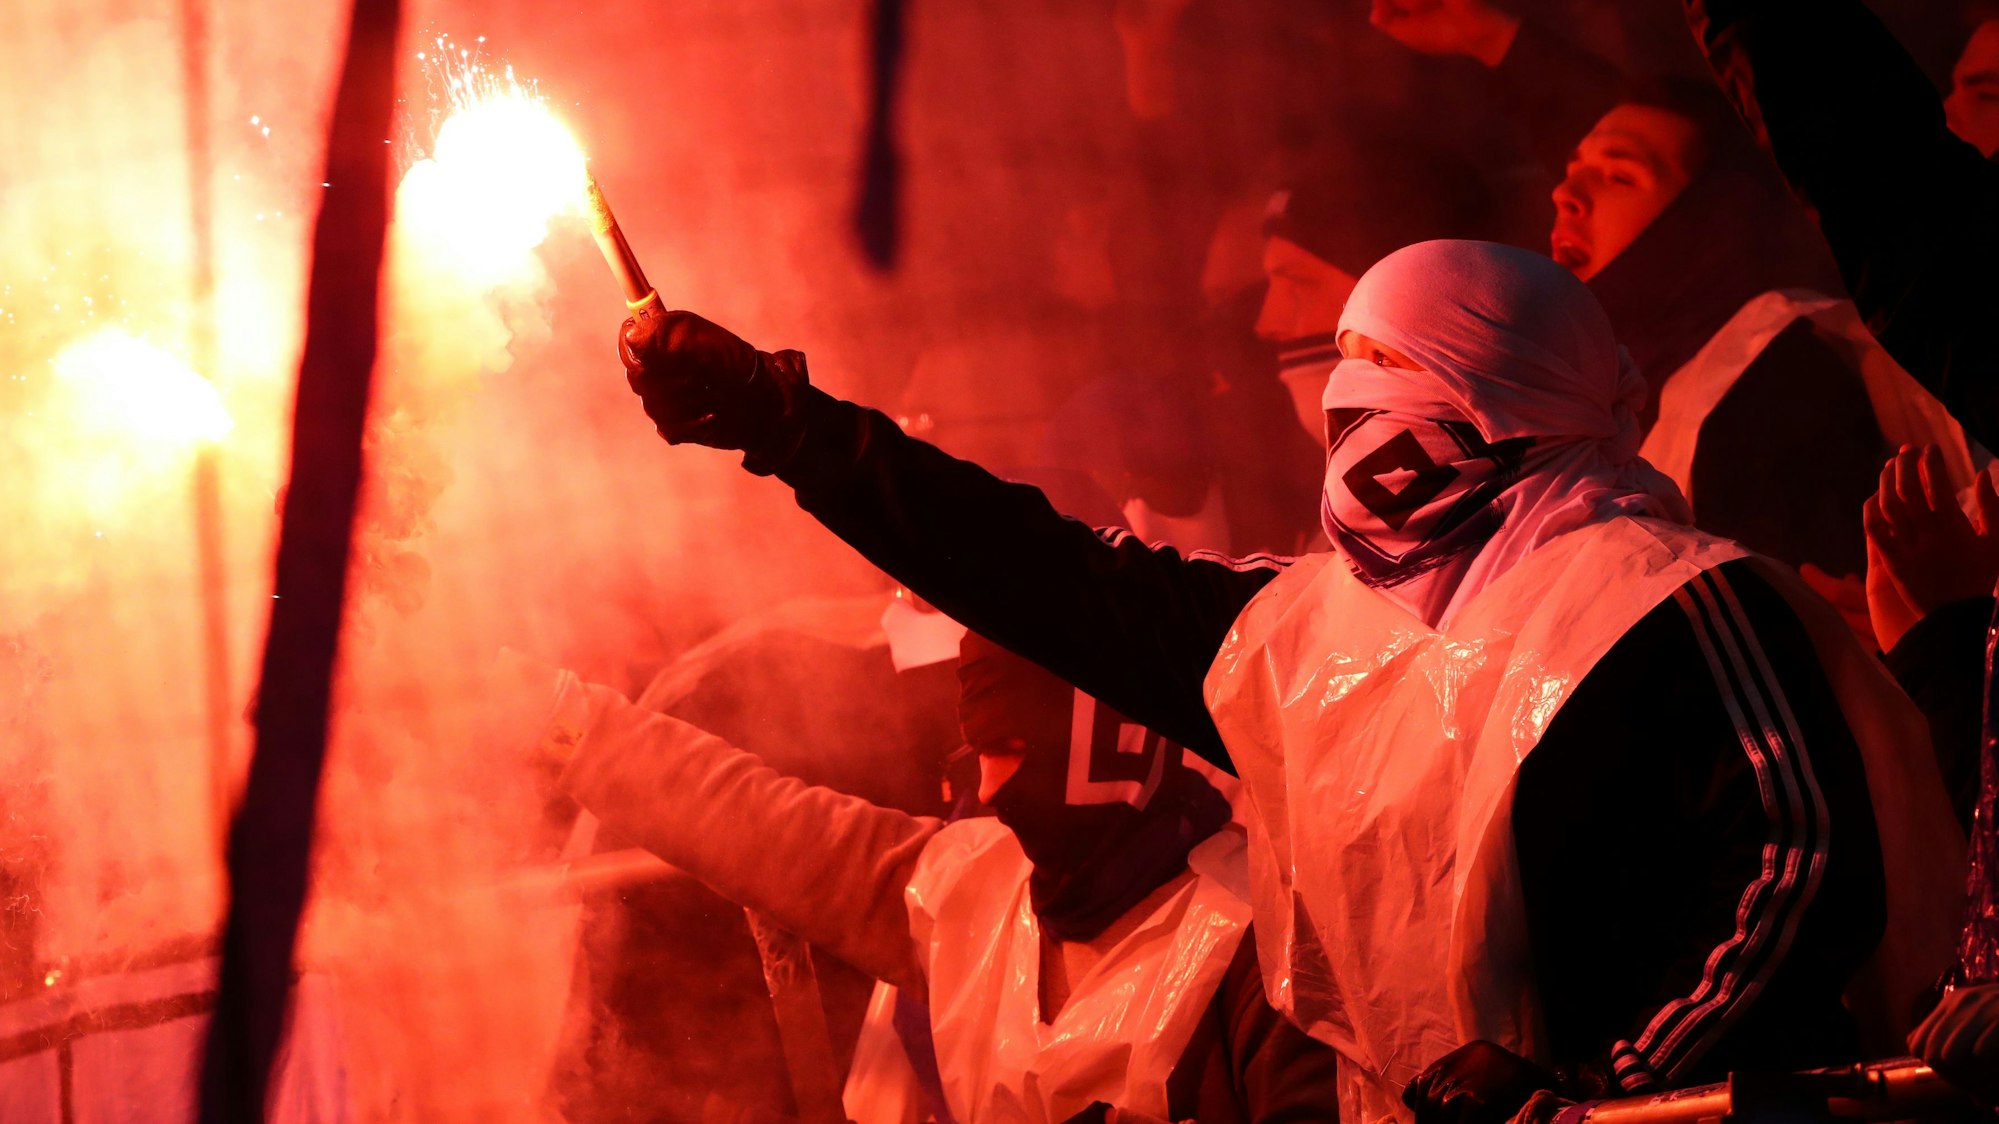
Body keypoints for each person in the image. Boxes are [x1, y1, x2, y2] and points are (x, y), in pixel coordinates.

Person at [615, 239, 1961, 1124]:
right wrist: (781, 423)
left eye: (1385, 375)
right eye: (1346, 383)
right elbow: (1028, 569)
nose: (1350, 420)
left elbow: (1793, 864)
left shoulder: (1668, 599)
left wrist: (1599, 1091)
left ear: (1493, 394)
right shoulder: (1301, 635)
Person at [532, 630, 1340, 1124]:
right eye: (975, 753)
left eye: (1014, 753)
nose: (988, 790)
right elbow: (757, 825)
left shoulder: (1262, 954)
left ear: (1104, 747)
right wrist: (560, 720)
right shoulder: (970, 892)